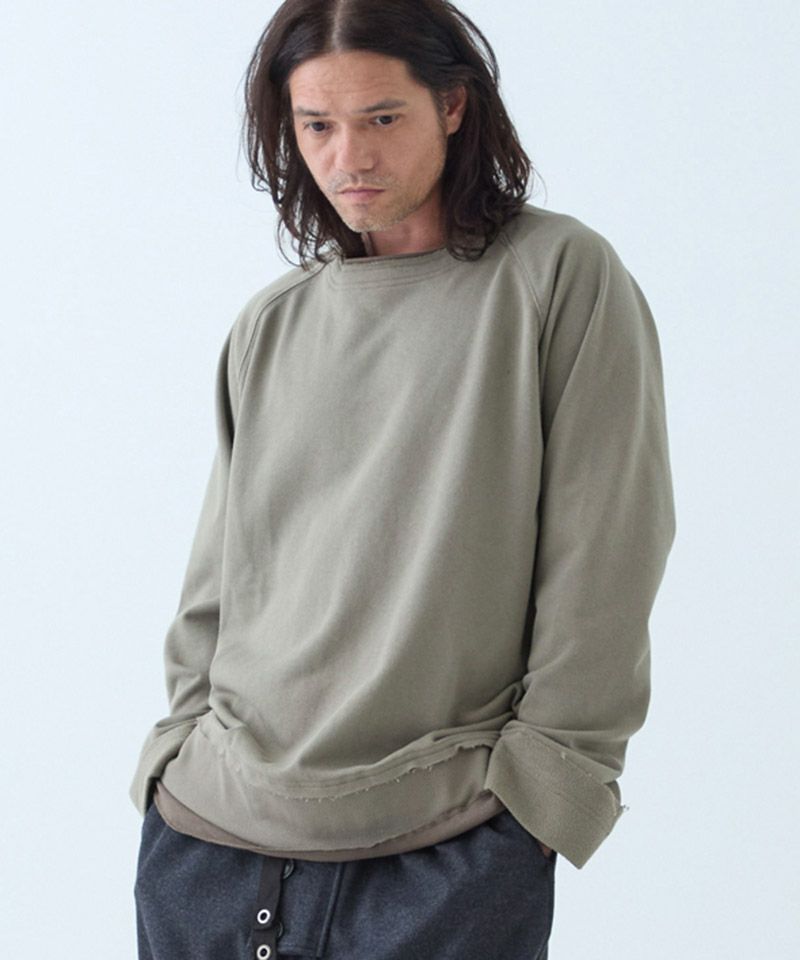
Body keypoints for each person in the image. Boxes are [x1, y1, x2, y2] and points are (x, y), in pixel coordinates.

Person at [130, 1, 676, 958]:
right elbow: (218, 578)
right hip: (214, 836)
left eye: (382, 117)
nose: (349, 157)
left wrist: (545, 800)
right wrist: (172, 759)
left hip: (448, 841)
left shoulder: (555, 279)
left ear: (453, 106)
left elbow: (608, 551)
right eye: (317, 126)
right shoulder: (274, 321)